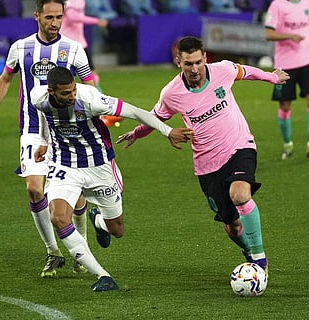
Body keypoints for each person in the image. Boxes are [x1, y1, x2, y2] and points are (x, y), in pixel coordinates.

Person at [116, 36, 290, 273]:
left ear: (205, 58)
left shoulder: (223, 70)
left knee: (239, 194)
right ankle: (248, 250)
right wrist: (137, 133)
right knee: (232, 227)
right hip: (207, 164)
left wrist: (272, 78)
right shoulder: (171, 93)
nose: (195, 69)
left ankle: (259, 260)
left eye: (198, 62)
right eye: (189, 64)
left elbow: (246, 72)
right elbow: (155, 118)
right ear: (179, 62)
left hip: (239, 145)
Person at [31, 65, 191, 291]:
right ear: (51, 92)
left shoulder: (90, 100)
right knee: (58, 217)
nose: (72, 96)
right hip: (64, 165)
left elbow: (134, 111)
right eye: (66, 93)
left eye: (73, 90)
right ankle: (102, 275)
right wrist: (44, 142)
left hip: (100, 167)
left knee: (117, 230)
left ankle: (97, 219)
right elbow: (44, 114)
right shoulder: (38, 97)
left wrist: (167, 131)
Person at [0, 0, 95, 277]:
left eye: (59, 17)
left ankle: (82, 250)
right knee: (33, 189)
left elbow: (89, 83)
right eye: (50, 17)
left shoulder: (73, 49)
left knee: (74, 196)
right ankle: (53, 252)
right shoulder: (21, 47)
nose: (55, 22)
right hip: (31, 128)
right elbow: (6, 78)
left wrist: (93, 112)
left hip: (67, 129)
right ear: (37, 17)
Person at [264, 0, 309, 160]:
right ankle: (287, 145)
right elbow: (268, 34)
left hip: (306, 61)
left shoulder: (308, 3)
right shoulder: (277, 5)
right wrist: (290, 36)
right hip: (285, 65)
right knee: (285, 106)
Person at [61, 0, 123, 127]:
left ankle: (102, 112)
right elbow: (72, 17)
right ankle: (69, 115)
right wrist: (97, 21)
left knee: (93, 77)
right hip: (69, 45)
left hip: (80, 43)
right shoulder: (70, 1)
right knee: (68, 81)